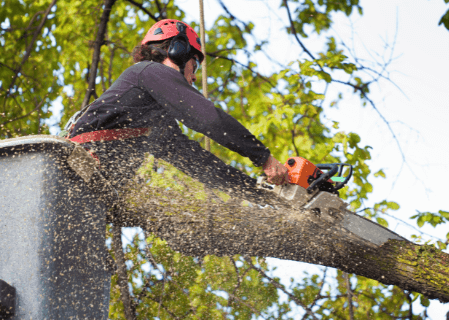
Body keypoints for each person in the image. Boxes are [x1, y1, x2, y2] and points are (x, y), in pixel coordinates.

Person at [66, 19, 289, 197]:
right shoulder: (148, 71)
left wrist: (261, 194)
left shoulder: (154, 121)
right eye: (195, 64)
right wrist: (264, 158)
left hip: (86, 189)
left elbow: (199, 164)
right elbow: (208, 118)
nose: (193, 77)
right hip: (73, 173)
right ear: (177, 51)